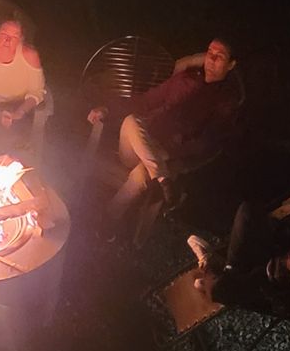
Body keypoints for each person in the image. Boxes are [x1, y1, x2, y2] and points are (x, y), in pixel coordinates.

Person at [90, 38, 242, 235]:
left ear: (231, 65)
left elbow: (207, 144)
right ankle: (163, 179)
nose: (211, 59)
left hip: (166, 153)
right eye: (209, 53)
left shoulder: (225, 102)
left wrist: (174, 153)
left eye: (219, 56)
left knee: (142, 175)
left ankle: (106, 221)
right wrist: (108, 109)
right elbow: (145, 101)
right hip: (135, 144)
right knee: (131, 120)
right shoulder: (186, 79)